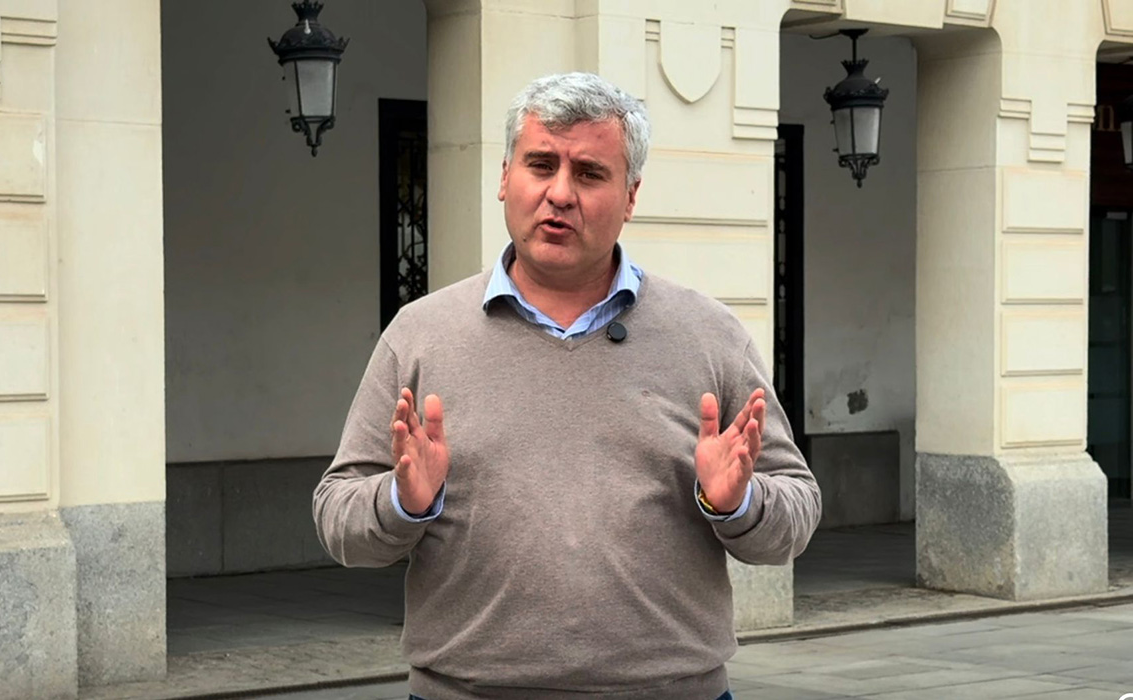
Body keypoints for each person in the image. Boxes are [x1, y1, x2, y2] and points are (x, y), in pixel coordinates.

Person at [313, 72, 821, 700]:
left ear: (630, 196)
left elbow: (796, 508)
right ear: (505, 177)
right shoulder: (420, 335)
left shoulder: (709, 336)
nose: (559, 193)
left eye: (589, 173)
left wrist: (736, 503)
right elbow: (337, 515)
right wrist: (403, 501)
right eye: (540, 164)